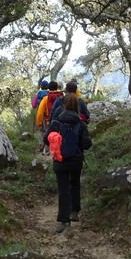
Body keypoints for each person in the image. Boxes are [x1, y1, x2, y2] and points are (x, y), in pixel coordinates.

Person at [43, 93, 92, 233]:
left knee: (63, 189)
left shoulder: (56, 122)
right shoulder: (80, 123)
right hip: (76, 160)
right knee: (74, 184)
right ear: (77, 106)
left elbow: (46, 140)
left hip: (60, 160)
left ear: (63, 105)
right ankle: (74, 212)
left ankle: (64, 221)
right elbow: (87, 144)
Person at [35, 81, 63, 152]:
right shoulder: (62, 97)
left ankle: (48, 150)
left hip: (48, 120)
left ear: (49, 88)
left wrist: (39, 123)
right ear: (57, 87)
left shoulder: (45, 99)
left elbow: (40, 112)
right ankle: (58, 150)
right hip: (61, 120)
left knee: (48, 135)